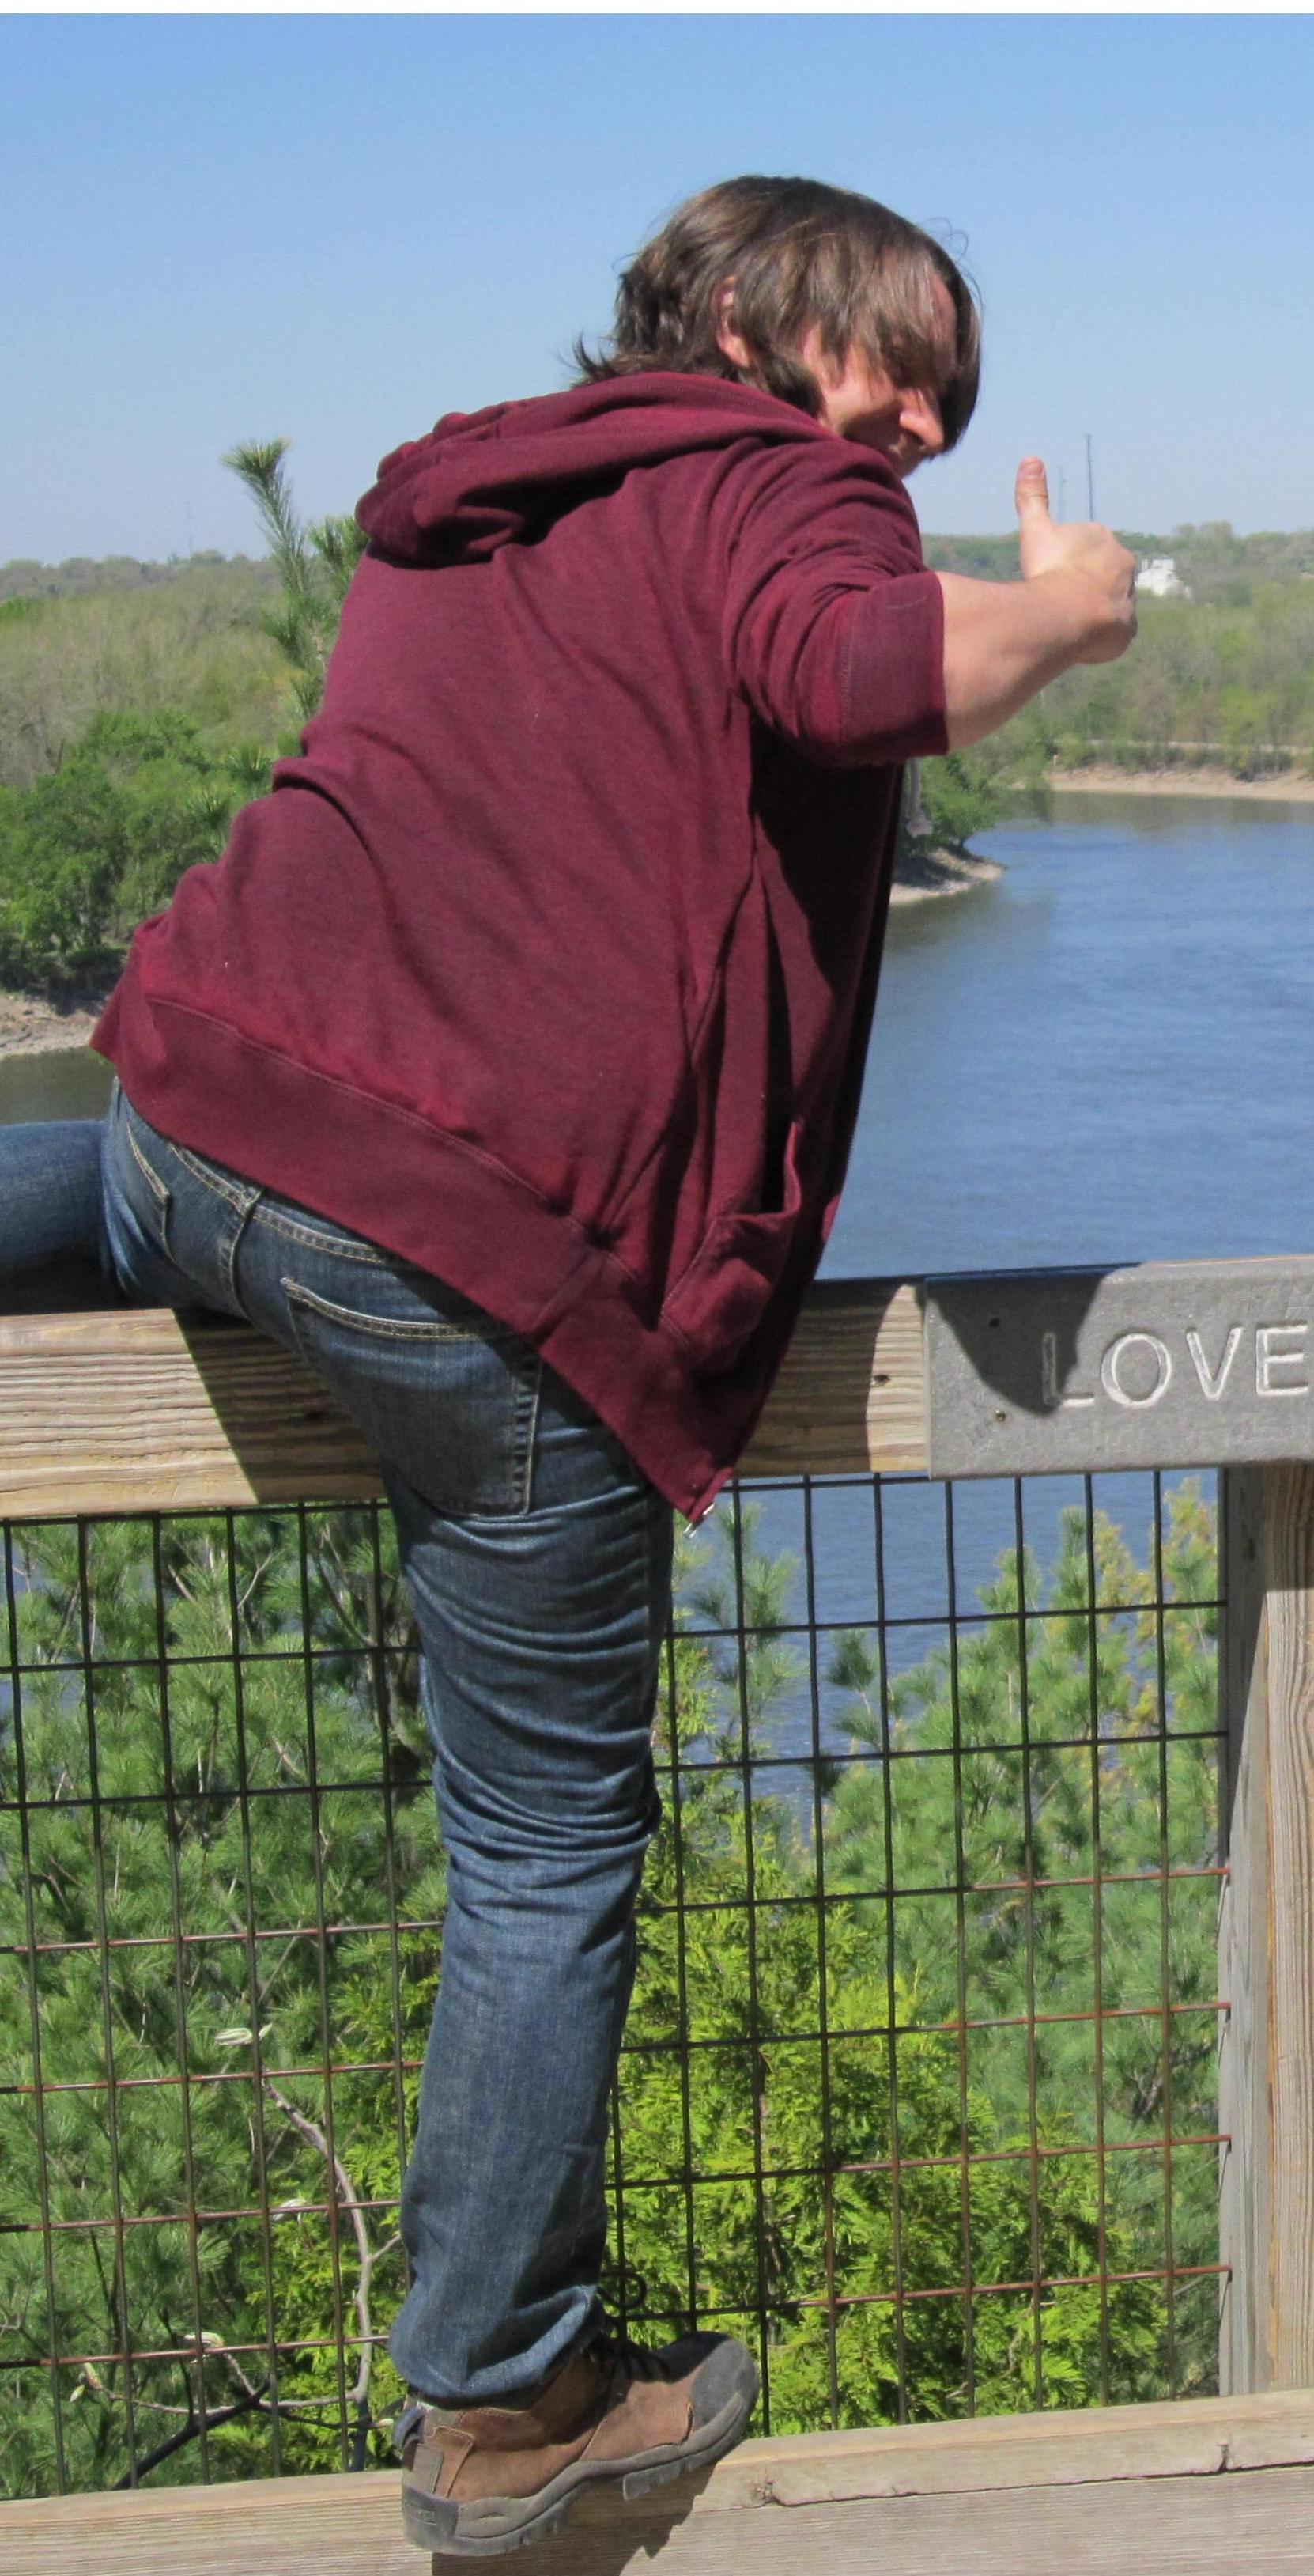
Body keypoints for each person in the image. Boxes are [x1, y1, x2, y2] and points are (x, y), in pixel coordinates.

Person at [56, 176, 1136, 2552]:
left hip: (202, 1115)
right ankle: (500, 2400)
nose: (920, 422)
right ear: (742, 315)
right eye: (895, 359)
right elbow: (855, 672)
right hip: (476, 1251)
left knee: (98, 1197)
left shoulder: (486, 491)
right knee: (546, 1850)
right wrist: (1065, 610)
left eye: (949, 398)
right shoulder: (776, 478)